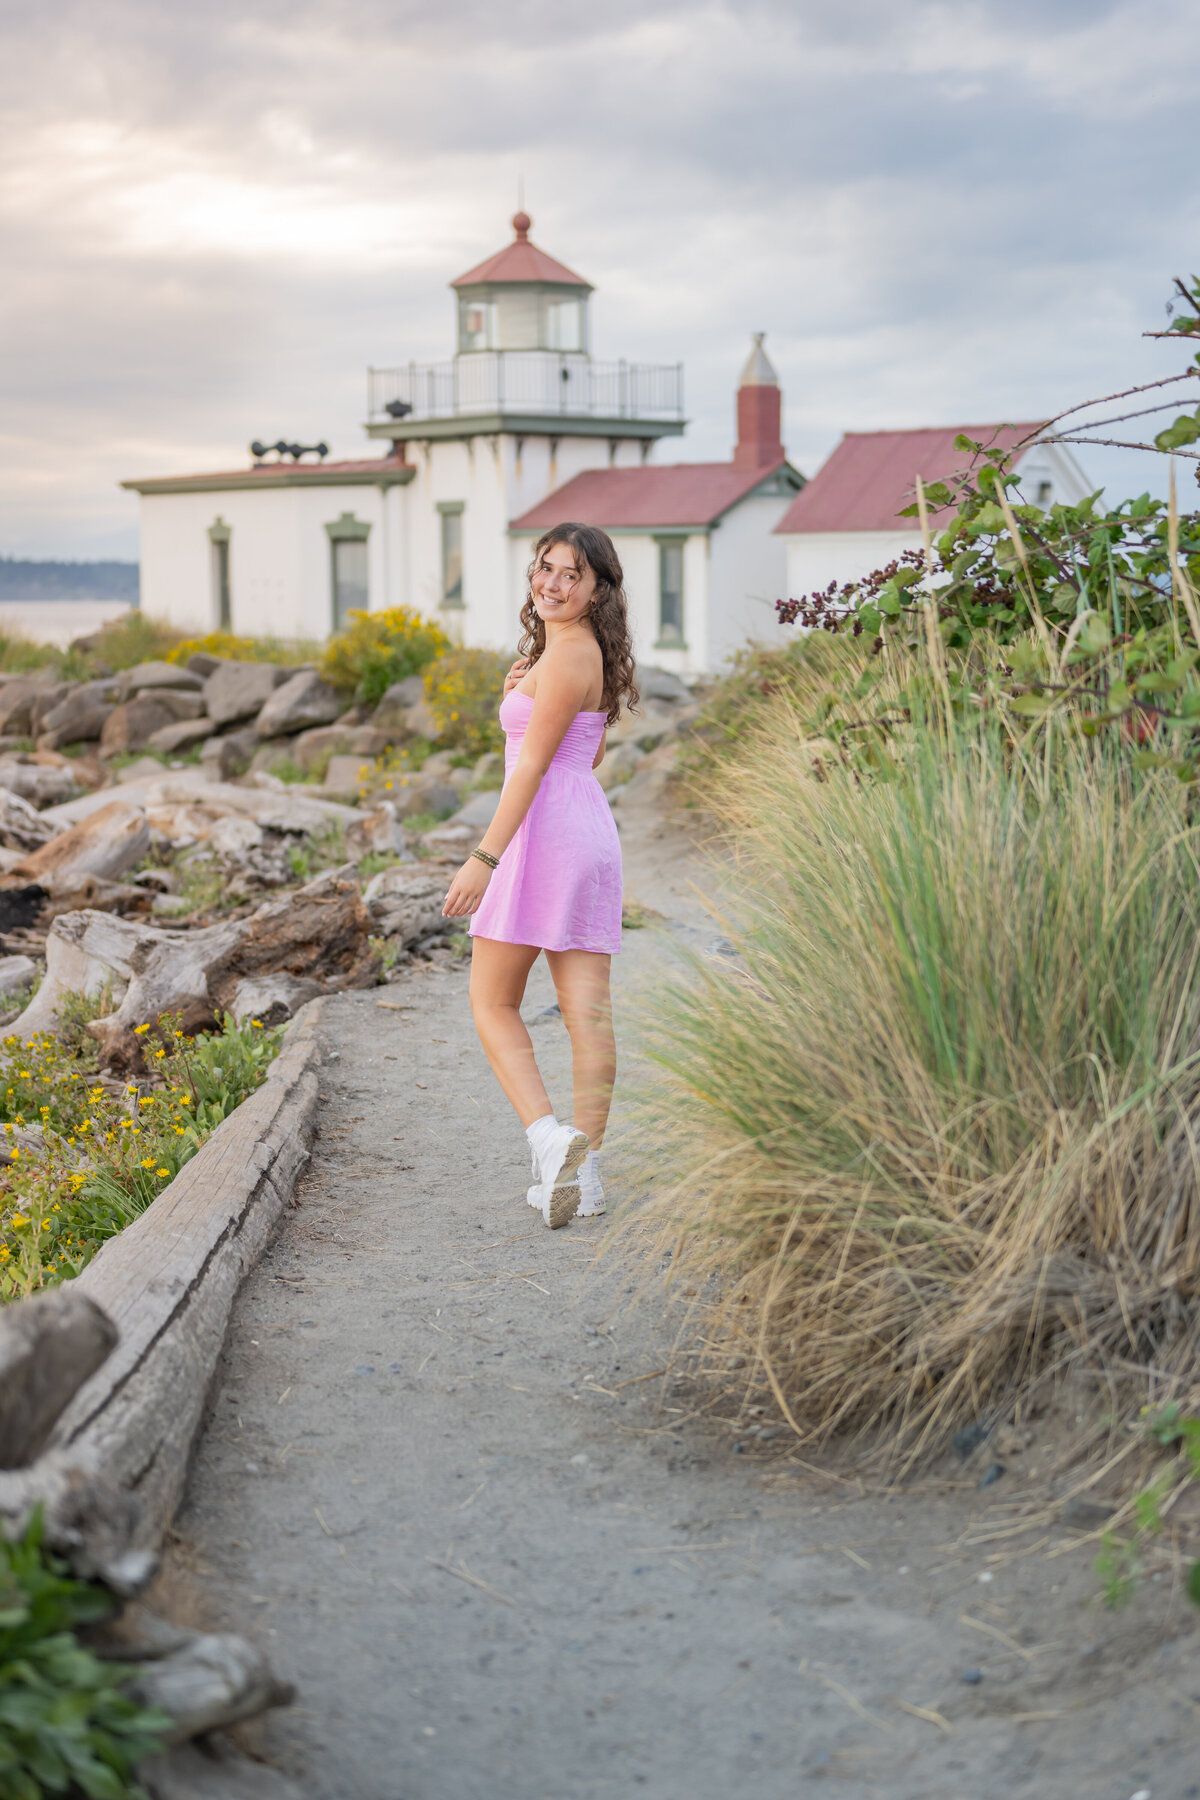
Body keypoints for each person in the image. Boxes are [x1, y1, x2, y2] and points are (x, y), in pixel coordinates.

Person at [441, 522, 637, 1228]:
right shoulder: (585, 654)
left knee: (493, 1003)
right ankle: (586, 1178)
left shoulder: (563, 658)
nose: (551, 584)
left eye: (570, 575)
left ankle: (549, 1139)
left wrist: (482, 859)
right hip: (586, 833)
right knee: (587, 1014)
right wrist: (518, 700)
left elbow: (531, 769)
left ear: (596, 589)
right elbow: (586, 756)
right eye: (544, 568)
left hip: (542, 838)